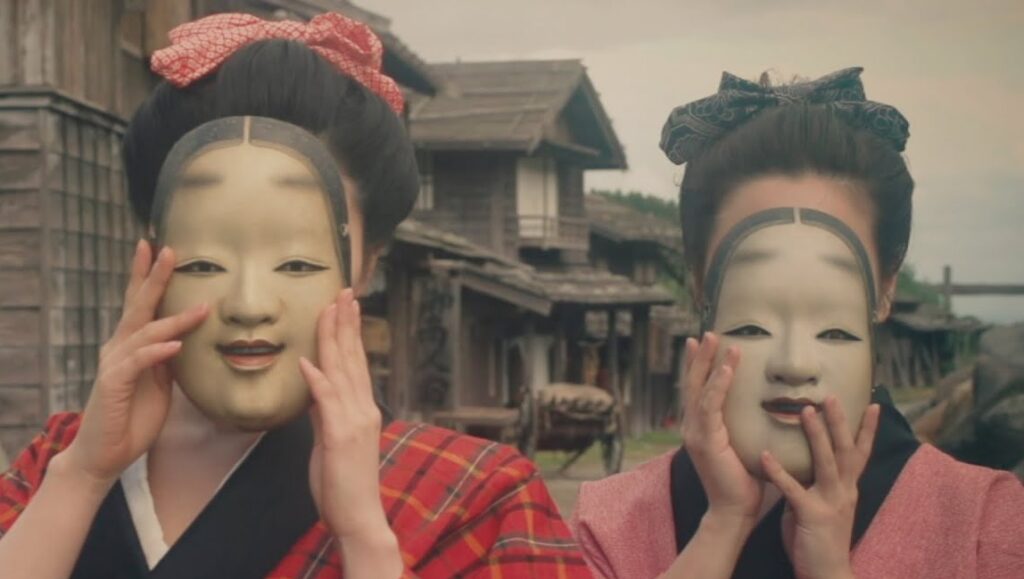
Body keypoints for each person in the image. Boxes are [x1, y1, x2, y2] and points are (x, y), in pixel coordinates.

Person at [0, 13, 588, 579]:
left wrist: (365, 537)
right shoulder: (61, 459)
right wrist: (79, 479)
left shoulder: (476, 496)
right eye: (205, 260)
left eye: (298, 262)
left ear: (369, 263)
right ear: (150, 257)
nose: (250, 303)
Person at [571, 68, 1024, 578]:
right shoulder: (606, 527)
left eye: (831, 326)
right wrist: (722, 525)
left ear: (886, 289)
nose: (793, 365)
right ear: (701, 286)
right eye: (753, 324)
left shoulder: (987, 523)